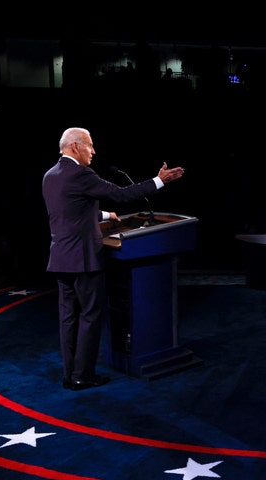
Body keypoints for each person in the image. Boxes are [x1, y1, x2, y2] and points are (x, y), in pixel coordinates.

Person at [42, 127, 186, 391]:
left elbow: (70, 214)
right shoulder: (82, 174)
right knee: (89, 316)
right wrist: (159, 180)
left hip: (61, 259)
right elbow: (122, 194)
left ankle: (69, 373)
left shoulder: (50, 176)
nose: (93, 151)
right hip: (84, 260)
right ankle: (82, 376)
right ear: (75, 147)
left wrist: (107, 216)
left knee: (68, 318)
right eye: (90, 145)